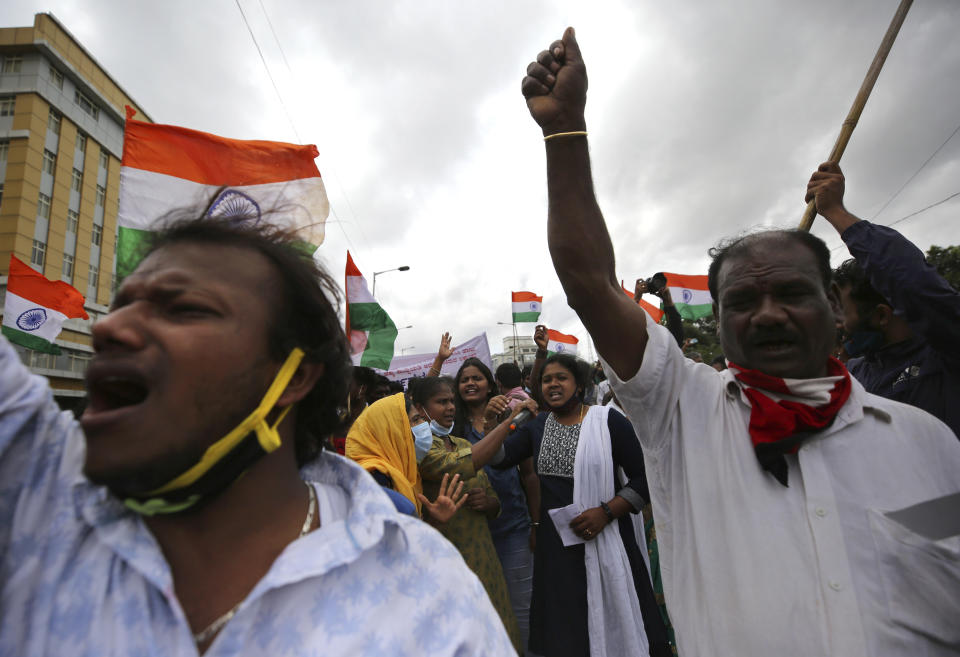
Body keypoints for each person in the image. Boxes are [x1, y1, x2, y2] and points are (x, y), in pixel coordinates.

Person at [521, 28, 960, 656]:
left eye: (793, 294)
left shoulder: (925, 442)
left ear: (837, 311)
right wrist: (564, 132)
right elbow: (590, 283)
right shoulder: (682, 412)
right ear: (718, 326)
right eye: (744, 302)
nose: (769, 314)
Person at [0, 215, 514, 656]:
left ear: (291, 377)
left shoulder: (426, 594)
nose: (108, 329)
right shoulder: (43, 504)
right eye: (121, 306)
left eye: (184, 309)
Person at [471, 354, 673, 657]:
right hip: (558, 552)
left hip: (608, 540)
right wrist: (492, 421)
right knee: (568, 631)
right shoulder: (536, 427)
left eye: (561, 378)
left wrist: (606, 512)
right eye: (547, 379)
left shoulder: (608, 421)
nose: (553, 384)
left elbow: (647, 478)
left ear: (578, 385)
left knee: (620, 619)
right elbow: (499, 460)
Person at [807, 161, 960, 437]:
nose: (837, 325)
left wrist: (835, 212)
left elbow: (914, 284)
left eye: (842, 312)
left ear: (881, 315)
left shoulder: (946, 353)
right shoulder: (850, 377)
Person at [410, 376, 523, 653]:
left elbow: (494, 502)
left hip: (484, 557)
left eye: (451, 401)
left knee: (499, 626)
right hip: (450, 559)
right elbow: (468, 462)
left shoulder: (460, 442)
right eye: (441, 402)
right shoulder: (422, 450)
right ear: (421, 408)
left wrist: (488, 503)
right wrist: (510, 423)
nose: (450, 408)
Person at [452, 356, 539, 654]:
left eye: (477, 378)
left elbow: (529, 475)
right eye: (464, 380)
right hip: (471, 534)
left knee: (521, 610)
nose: (471, 383)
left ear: (491, 385)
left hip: (513, 528)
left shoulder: (511, 420)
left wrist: (535, 523)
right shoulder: (450, 428)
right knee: (481, 609)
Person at [345, 391, 467, 520]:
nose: (423, 424)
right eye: (415, 420)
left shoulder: (404, 470)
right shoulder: (376, 478)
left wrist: (436, 521)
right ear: (393, 430)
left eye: (421, 418)